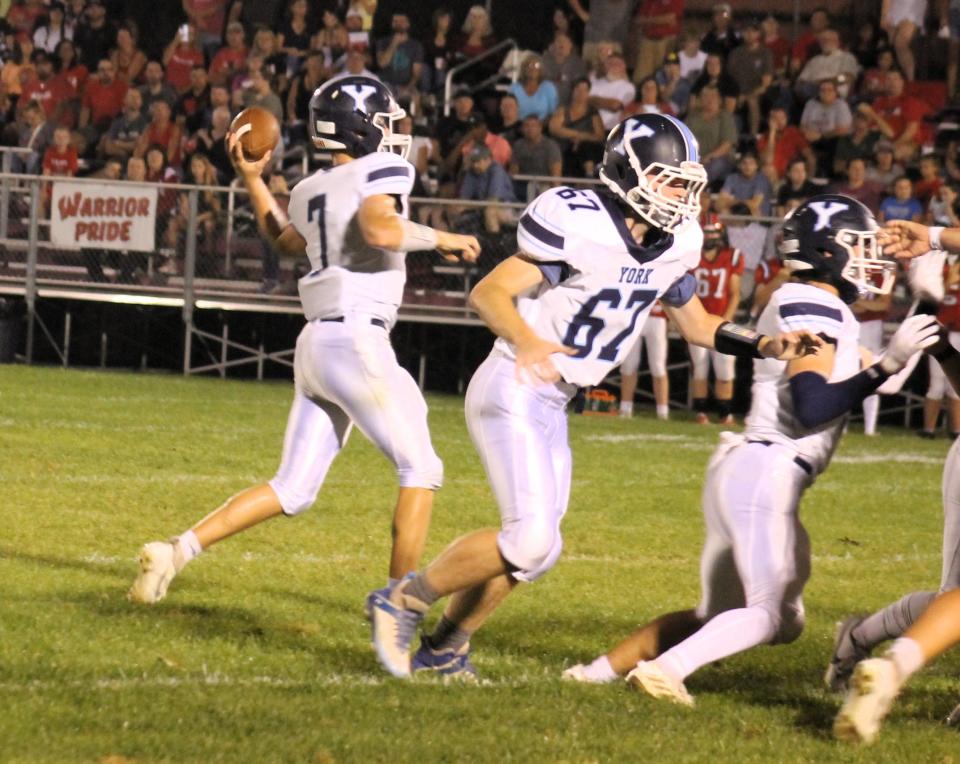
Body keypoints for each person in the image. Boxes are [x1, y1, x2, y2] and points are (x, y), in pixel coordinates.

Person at [368, 113, 823, 680]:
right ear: (628, 172)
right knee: (529, 539)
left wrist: (767, 343)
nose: (682, 194)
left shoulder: (675, 240)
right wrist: (530, 341)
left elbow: (699, 324)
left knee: (539, 550)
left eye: (686, 181)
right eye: (669, 179)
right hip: (514, 381)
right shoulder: (581, 223)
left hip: (556, 400)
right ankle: (403, 599)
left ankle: (447, 646)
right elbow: (489, 294)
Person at [561, 195, 938, 699]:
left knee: (759, 619)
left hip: (748, 470)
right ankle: (665, 671)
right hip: (768, 470)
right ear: (830, 251)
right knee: (764, 612)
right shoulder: (811, 303)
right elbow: (813, 405)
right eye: (861, 246)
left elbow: (882, 382)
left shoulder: (820, 307)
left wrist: (924, 304)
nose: (872, 259)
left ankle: (596, 673)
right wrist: (886, 363)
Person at [129, 76, 480, 606]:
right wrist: (443, 237)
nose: (392, 130)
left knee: (292, 489)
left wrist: (252, 177)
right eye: (384, 120)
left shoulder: (313, 187)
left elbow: (283, 240)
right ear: (361, 127)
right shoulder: (383, 168)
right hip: (358, 337)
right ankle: (396, 607)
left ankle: (175, 551)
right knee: (422, 468)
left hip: (316, 344)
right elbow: (382, 230)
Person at [688, 217, 744, 425]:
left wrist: (726, 321)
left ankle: (725, 414)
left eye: (714, 232)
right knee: (700, 368)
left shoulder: (732, 256)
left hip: (722, 320)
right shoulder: (692, 256)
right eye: (707, 232)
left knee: (725, 369)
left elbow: (735, 293)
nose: (711, 237)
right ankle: (701, 413)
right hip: (697, 320)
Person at [619, 299, 670, 419]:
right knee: (628, 365)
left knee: (658, 366)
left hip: (657, 316)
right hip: (634, 314)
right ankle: (625, 408)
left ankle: (662, 411)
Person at [549, 77, 605, 177]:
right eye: (578, 89)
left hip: (588, 150)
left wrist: (581, 139)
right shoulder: (563, 110)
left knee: (587, 148)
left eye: (584, 90)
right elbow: (554, 128)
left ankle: (589, 176)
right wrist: (577, 135)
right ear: (572, 91)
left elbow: (599, 136)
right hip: (566, 148)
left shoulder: (593, 112)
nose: (581, 93)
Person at [508, 54, 559, 122]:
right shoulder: (514, 88)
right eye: (529, 65)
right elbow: (509, 112)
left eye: (536, 65)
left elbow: (553, 113)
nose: (533, 68)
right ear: (524, 69)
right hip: (518, 127)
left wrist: (538, 127)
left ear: (541, 69)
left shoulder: (548, 87)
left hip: (541, 127)